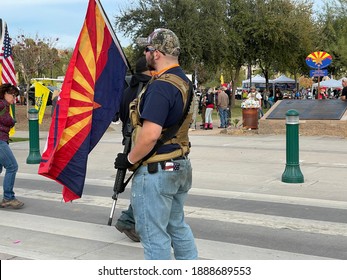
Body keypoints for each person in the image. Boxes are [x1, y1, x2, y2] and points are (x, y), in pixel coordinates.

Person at [114, 28, 198, 260]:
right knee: (177, 227)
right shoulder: (183, 81)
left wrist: (129, 160)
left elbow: (151, 134)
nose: (145, 53)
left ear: (158, 53)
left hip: (157, 169)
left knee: (154, 237)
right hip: (179, 164)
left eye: (148, 49)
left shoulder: (162, 86)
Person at [115, 56, 152, 242]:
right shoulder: (149, 89)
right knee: (147, 183)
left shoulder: (126, 90)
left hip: (128, 139)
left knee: (143, 182)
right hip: (143, 141)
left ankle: (132, 219)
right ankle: (129, 218)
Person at [0, 83, 24, 209]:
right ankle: (8, 197)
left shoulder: (5, 105)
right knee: (12, 166)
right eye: (12, 95)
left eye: (15, 96)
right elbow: (7, 120)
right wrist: (12, 122)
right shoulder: (2, 104)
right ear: (5, 93)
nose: (14, 98)